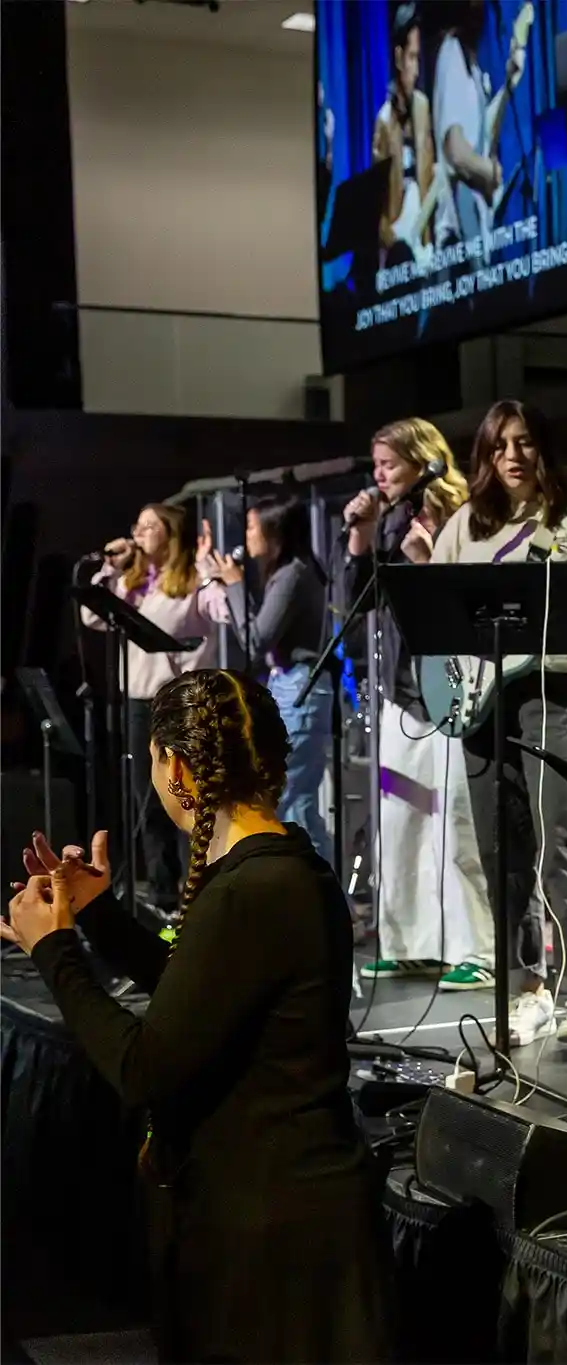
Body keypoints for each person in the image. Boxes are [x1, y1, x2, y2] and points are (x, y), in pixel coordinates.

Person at [3, 669, 393, 1361]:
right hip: (282, 1220)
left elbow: (142, 1066)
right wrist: (96, 913)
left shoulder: (253, 890)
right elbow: (198, 989)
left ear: (175, 764)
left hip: (274, 1245)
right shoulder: (281, 871)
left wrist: (55, 948)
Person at [432, 400, 567, 1047]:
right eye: (501, 446)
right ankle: (528, 988)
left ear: (543, 447)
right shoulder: (468, 523)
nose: (514, 455)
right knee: (503, 852)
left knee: (562, 847)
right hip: (486, 700)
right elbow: (438, 613)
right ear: (486, 459)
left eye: (524, 442)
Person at [345, 418, 496, 991]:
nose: (380, 475)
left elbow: (465, 598)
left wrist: (429, 560)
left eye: (389, 464)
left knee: (458, 821)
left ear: (421, 460)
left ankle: (476, 948)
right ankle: (410, 944)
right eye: (377, 465)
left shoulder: (459, 511)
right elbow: (351, 604)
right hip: (400, 689)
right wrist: (360, 534)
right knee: (401, 820)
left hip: (455, 685)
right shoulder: (385, 521)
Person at [82, 502, 220, 913]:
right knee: (148, 797)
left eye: (149, 526)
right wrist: (109, 571)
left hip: (180, 702)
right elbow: (92, 618)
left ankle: (201, 888)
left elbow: (226, 615)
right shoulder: (132, 582)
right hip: (138, 700)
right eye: (137, 526)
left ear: (170, 534)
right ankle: (162, 893)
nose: (139, 533)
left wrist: (214, 573)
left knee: (187, 794)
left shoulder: (191, 579)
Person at [197, 496, 335, 859]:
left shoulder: (293, 574)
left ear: (276, 533)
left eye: (252, 527)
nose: (246, 536)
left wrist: (235, 585)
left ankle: (324, 897)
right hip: (287, 683)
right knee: (284, 799)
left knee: (294, 801)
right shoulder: (284, 574)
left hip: (302, 685)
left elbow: (255, 641)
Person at [432, 0, 525, 247]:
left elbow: (482, 135)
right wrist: (490, 171)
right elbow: (457, 151)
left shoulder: (471, 68)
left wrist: (508, 86)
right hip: (458, 240)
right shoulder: (452, 53)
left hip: (475, 232)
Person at [374, 2, 439, 267]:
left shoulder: (423, 107)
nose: (417, 69)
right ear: (399, 57)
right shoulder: (384, 121)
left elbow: (432, 169)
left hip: (424, 245)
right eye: (411, 58)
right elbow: (375, 201)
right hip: (397, 253)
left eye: (418, 59)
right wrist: (390, 238)